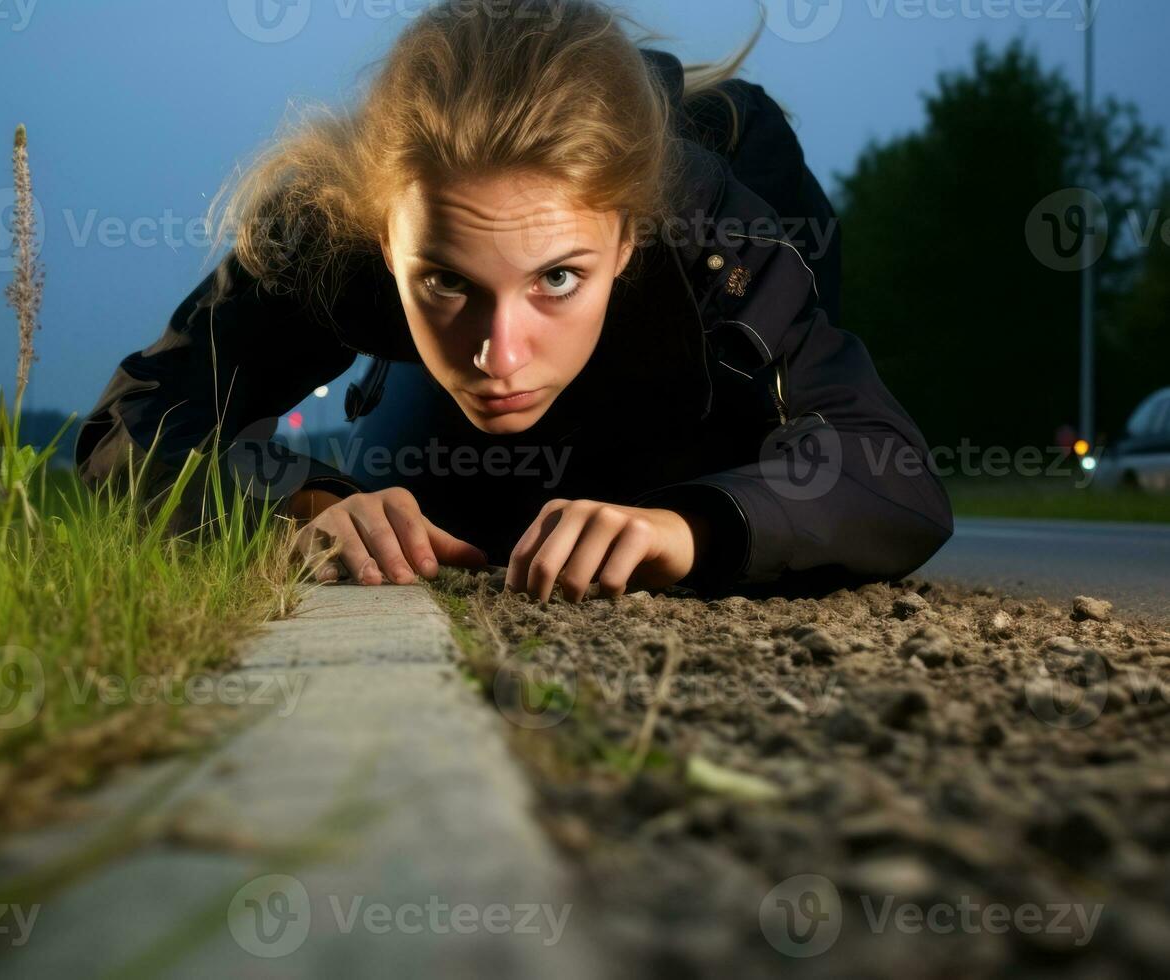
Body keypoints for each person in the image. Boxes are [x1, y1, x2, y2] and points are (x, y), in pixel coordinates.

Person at [75, 0, 953, 603]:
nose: (499, 356)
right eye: (445, 282)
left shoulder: (718, 226)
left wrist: (689, 526)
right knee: (418, 522)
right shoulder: (329, 221)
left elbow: (890, 468)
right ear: (385, 243)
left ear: (624, 238)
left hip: (699, 411)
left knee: (752, 500)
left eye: (556, 278)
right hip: (440, 445)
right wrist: (296, 502)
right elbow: (132, 420)